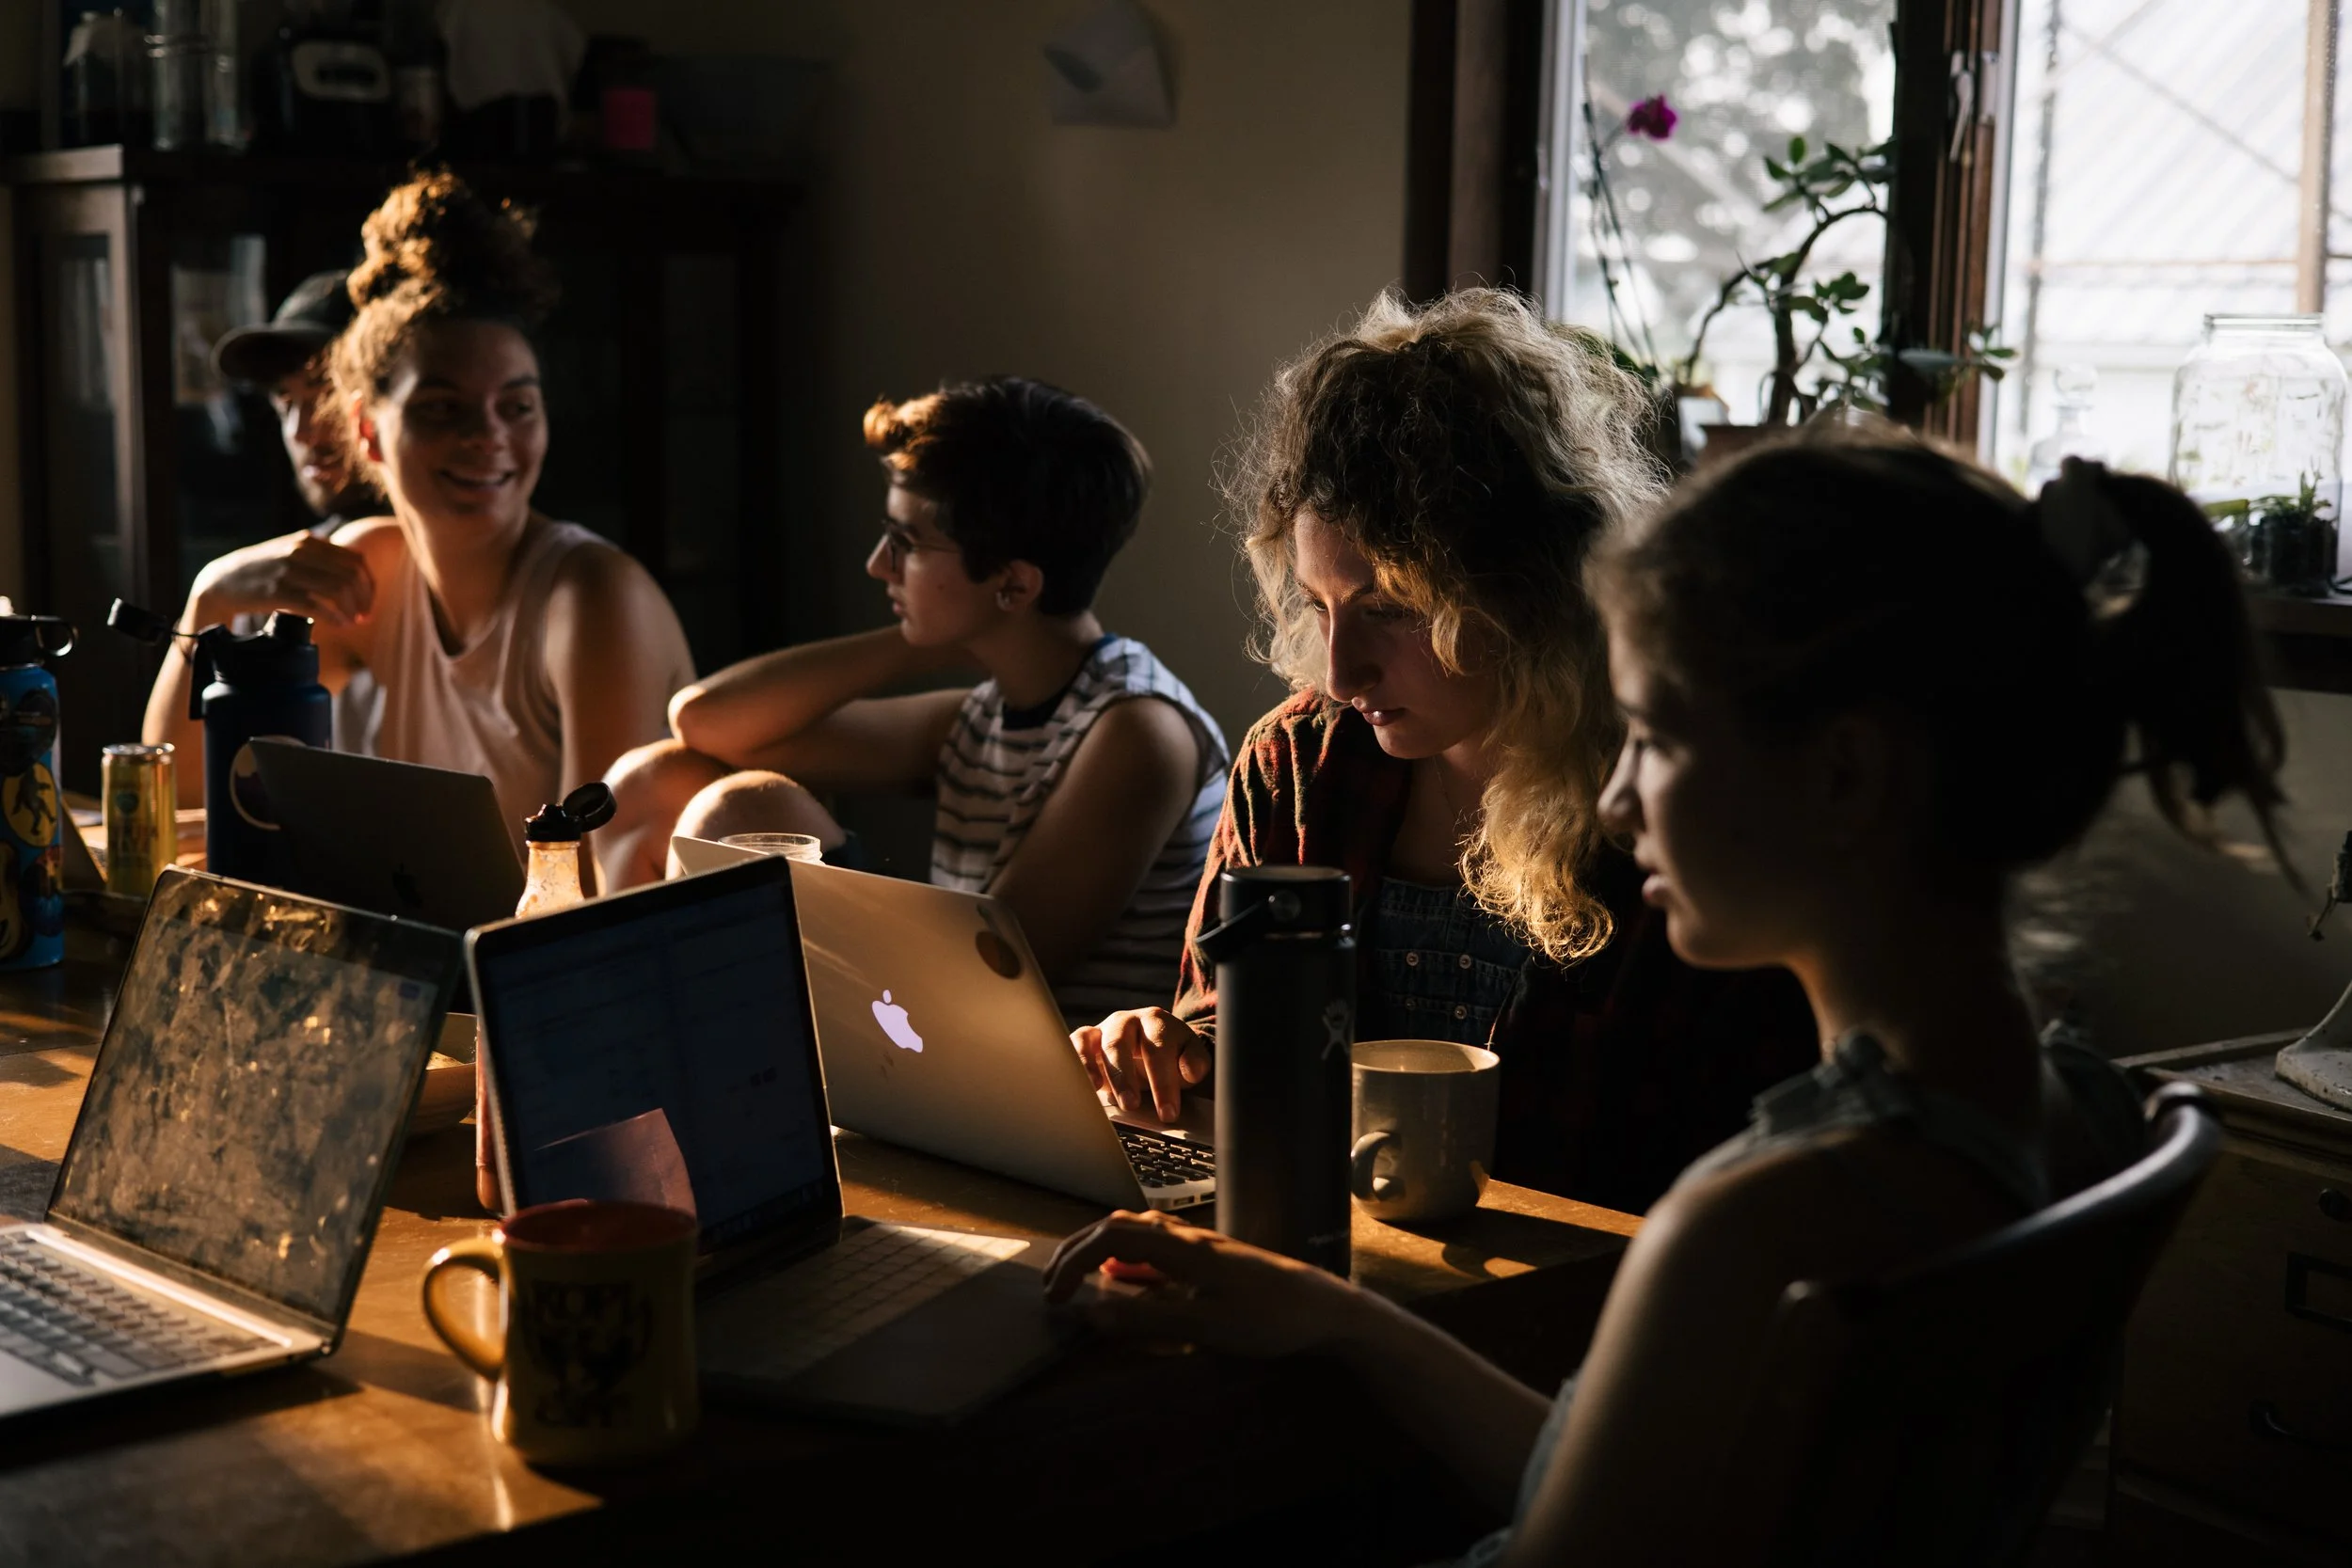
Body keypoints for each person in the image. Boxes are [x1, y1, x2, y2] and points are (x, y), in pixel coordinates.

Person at [1046, 430, 2277, 1560]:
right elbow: (1628, 1488)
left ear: (1844, 772)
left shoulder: (1752, 1231)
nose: (1621, 799)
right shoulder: (2087, 1116)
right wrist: (1350, 1320)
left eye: (1655, 737)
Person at [1074, 289, 1816, 1212]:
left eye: (1391, 609)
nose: (1342, 669)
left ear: (1526, 593)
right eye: (1318, 604)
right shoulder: (1300, 765)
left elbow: (1724, 1154)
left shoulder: (1661, 794)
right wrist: (1179, 1048)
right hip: (1339, 1268)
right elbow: (1229, 1018)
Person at [602, 376, 1230, 1023]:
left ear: (1013, 584)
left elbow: (995, 979)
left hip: (1053, 1090)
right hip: (948, 1030)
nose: (879, 564)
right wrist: (928, 637)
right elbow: (702, 722)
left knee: (740, 809)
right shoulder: (983, 716)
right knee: (653, 781)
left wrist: (950, 625)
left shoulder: (1138, 733)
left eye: (906, 543)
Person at [143, 171, 693, 846]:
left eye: (516, 406)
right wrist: (211, 599)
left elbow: (598, 886)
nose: (487, 435)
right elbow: (189, 802)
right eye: (442, 409)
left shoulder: (591, 598)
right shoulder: (371, 569)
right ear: (368, 430)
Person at [212, 269, 383, 534]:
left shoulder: (453, 554)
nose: (299, 432)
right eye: (284, 402)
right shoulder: (301, 562)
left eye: (328, 397)